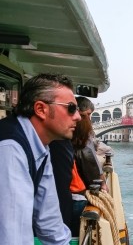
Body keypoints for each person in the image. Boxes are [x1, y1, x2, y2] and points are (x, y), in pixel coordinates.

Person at [0, 73, 80, 244]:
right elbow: (13, 236)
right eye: (71, 108)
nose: (78, 117)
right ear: (41, 109)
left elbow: (49, 222)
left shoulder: (41, 146)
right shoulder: (10, 148)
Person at [70, 96, 108, 236]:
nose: (87, 120)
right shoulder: (81, 139)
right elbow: (88, 160)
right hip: (76, 199)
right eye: (87, 115)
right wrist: (102, 184)